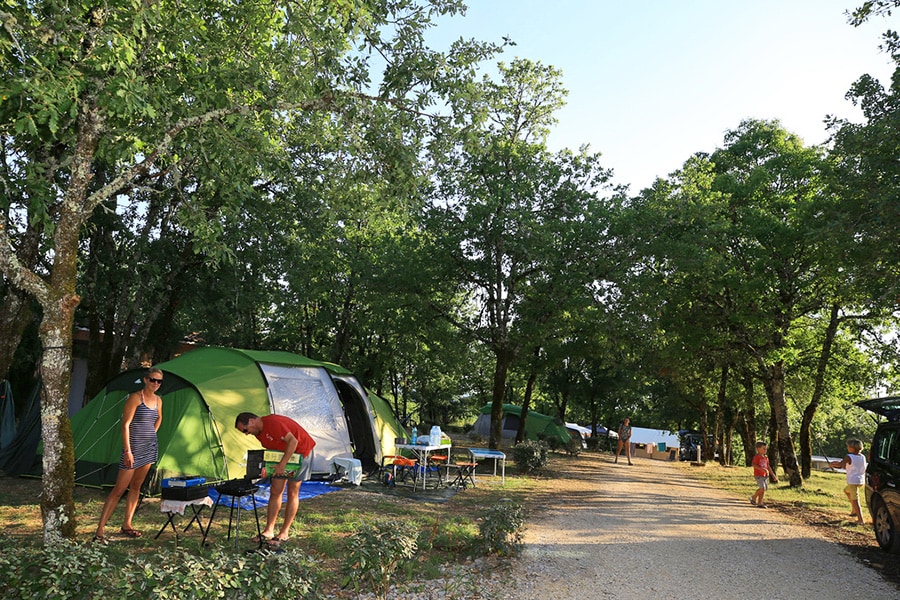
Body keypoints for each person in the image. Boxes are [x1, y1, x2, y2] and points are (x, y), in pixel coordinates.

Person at [93, 367, 163, 543]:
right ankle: (100, 530)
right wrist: (128, 450)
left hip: (149, 448)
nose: (156, 384)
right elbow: (125, 425)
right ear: (146, 380)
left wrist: (152, 433)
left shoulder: (158, 400)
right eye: (153, 380)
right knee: (118, 490)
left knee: (136, 487)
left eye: (159, 381)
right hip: (133, 449)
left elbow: (159, 418)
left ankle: (127, 524)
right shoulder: (135, 397)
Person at [235, 412, 316, 545]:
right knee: (275, 491)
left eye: (245, 430)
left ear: (251, 421)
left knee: (292, 491)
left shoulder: (273, 423)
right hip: (283, 456)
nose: (246, 433)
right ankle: (269, 530)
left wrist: (282, 464)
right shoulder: (259, 433)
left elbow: (293, 441)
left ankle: (284, 532)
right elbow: (273, 449)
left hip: (301, 451)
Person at [830, 438, 868, 525]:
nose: (847, 447)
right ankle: (854, 510)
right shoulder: (862, 457)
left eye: (848, 446)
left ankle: (860, 519)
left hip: (852, 481)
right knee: (846, 491)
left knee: (855, 500)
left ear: (852, 447)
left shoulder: (849, 456)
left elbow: (840, 465)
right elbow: (849, 466)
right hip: (860, 480)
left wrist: (833, 464)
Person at [750, 441, 778, 508]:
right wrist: (761, 469)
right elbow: (753, 464)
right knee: (762, 488)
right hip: (758, 475)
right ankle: (753, 497)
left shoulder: (766, 457)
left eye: (766, 449)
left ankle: (760, 503)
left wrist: (773, 475)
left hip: (765, 476)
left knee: (763, 490)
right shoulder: (757, 457)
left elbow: (768, 467)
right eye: (764, 449)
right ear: (758, 449)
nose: (765, 450)